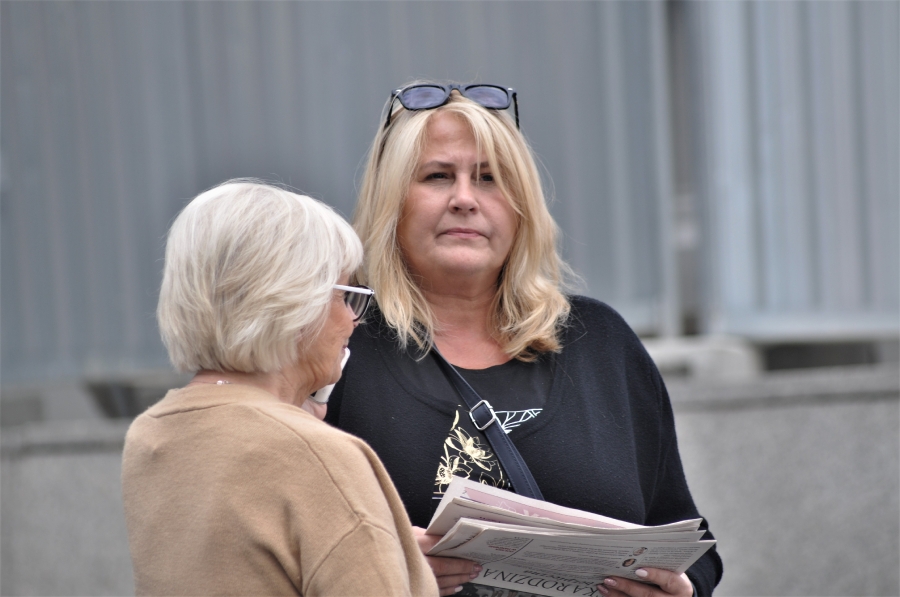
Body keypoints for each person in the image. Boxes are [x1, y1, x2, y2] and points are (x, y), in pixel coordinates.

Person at [324, 83, 723, 597]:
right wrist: (380, 570)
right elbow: (286, 546)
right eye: (437, 176)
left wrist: (681, 588)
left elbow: (689, 539)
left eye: (490, 178)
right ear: (392, 201)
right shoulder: (338, 345)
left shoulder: (601, 343)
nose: (464, 199)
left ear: (521, 207)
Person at [122, 180, 438, 596]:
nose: (354, 319)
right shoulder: (320, 456)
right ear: (291, 303)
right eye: (345, 295)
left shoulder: (150, 433)